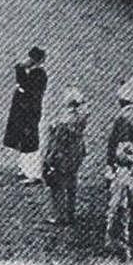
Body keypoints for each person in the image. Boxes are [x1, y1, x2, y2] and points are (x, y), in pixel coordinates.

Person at [42, 87, 88, 225]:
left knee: (57, 186)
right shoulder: (80, 117)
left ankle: (59, 216)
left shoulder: (63, 122)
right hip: (76, 153)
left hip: (62, 155)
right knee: (71, 183)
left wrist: (48, 159)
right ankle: (70, 212)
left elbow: (56, 143)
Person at [4, 46, 47, 184]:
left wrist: (21, 69)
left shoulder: (38, 75)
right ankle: (25, 169)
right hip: (26, 112)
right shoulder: (35, 73)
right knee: (24, 139)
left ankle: (32, 173)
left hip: (29, 112)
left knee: (30, 140)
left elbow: (27, 89)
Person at [105, 141, 133, 261]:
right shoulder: (117, 170)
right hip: (117, 201)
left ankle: (122, 243)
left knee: (123, 221)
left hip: (123, 202)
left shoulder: (130, 173)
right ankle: (111, 242)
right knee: (114, 219)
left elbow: (132, 190)